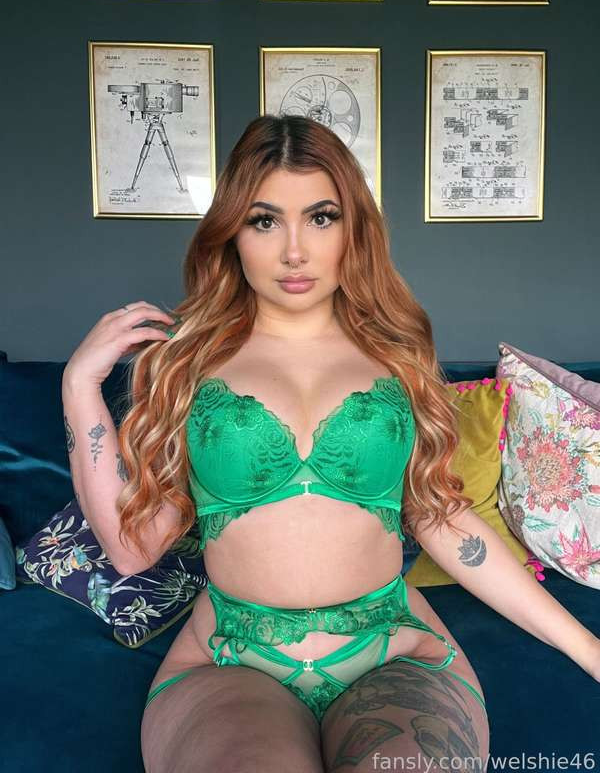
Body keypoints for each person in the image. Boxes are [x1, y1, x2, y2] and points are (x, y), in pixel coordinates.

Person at [62, 115, 600, 773]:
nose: (295, 251)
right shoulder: (186, 366)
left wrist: (589, 650)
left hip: (395, 650)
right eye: (264, 221)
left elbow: (442, 518)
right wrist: (79, 387)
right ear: (232, 233)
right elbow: (132, 549)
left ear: (353, 229)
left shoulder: (396, 357)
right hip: (229, 660)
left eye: (320, 217)